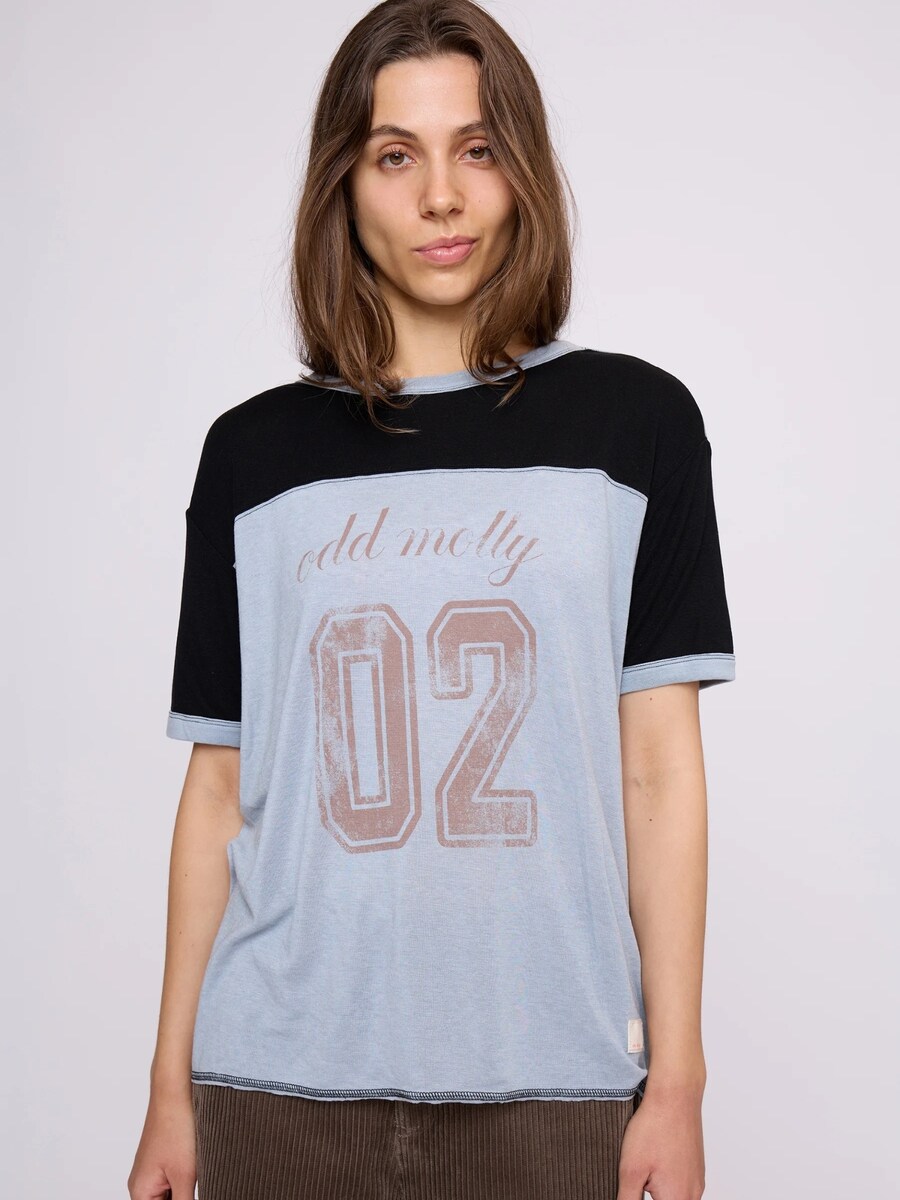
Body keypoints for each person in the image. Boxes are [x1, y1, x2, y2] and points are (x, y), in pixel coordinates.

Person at [127, 1, 736, 1197]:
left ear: (524, 172)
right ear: (344, 187)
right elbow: (217, 791)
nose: (442, 197)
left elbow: (658, 770)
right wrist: (167, 1091)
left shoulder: (638, 427)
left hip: (556, 1086)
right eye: (396, 155)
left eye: (478, 148)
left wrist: (678, 1082)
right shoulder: (253, 455)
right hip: (276, 1090)